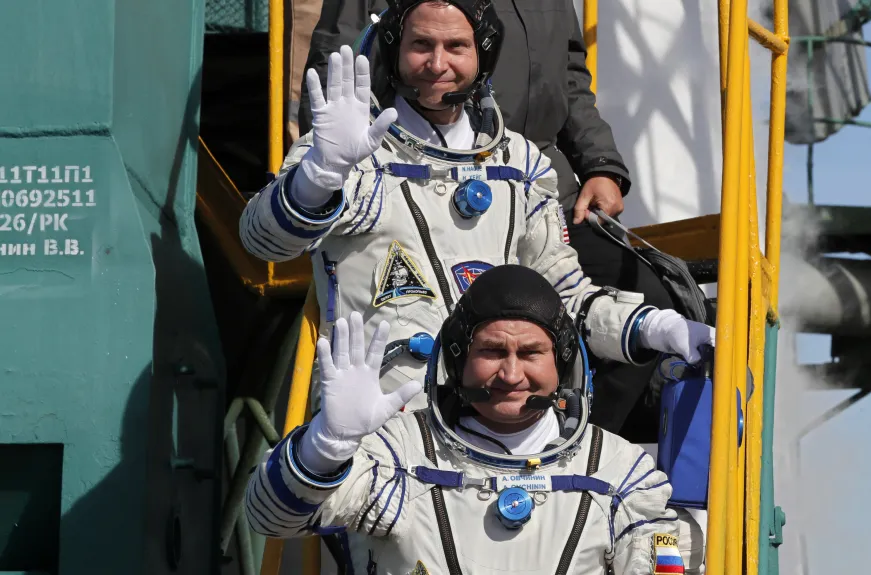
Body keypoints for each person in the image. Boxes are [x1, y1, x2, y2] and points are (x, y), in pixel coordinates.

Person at [240, 0, 712, 414]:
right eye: (421, 45)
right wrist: (321, 174)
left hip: (496, 443)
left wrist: (657, 327)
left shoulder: (522, 167)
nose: (437, 64)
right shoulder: (354, 161)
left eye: (457, 47)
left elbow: (565, 298)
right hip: (384, 434)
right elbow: (266, 241)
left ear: (482, 54)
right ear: (393, 49)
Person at [244, 264, 704, 573]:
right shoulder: (399, 453)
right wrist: (326, 447)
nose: (510, 372)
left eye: (530, 353)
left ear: (562, 362)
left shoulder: (619, 472)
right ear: (459, 359)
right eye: (491, 351)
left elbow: (657, 557)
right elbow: (269, 517)